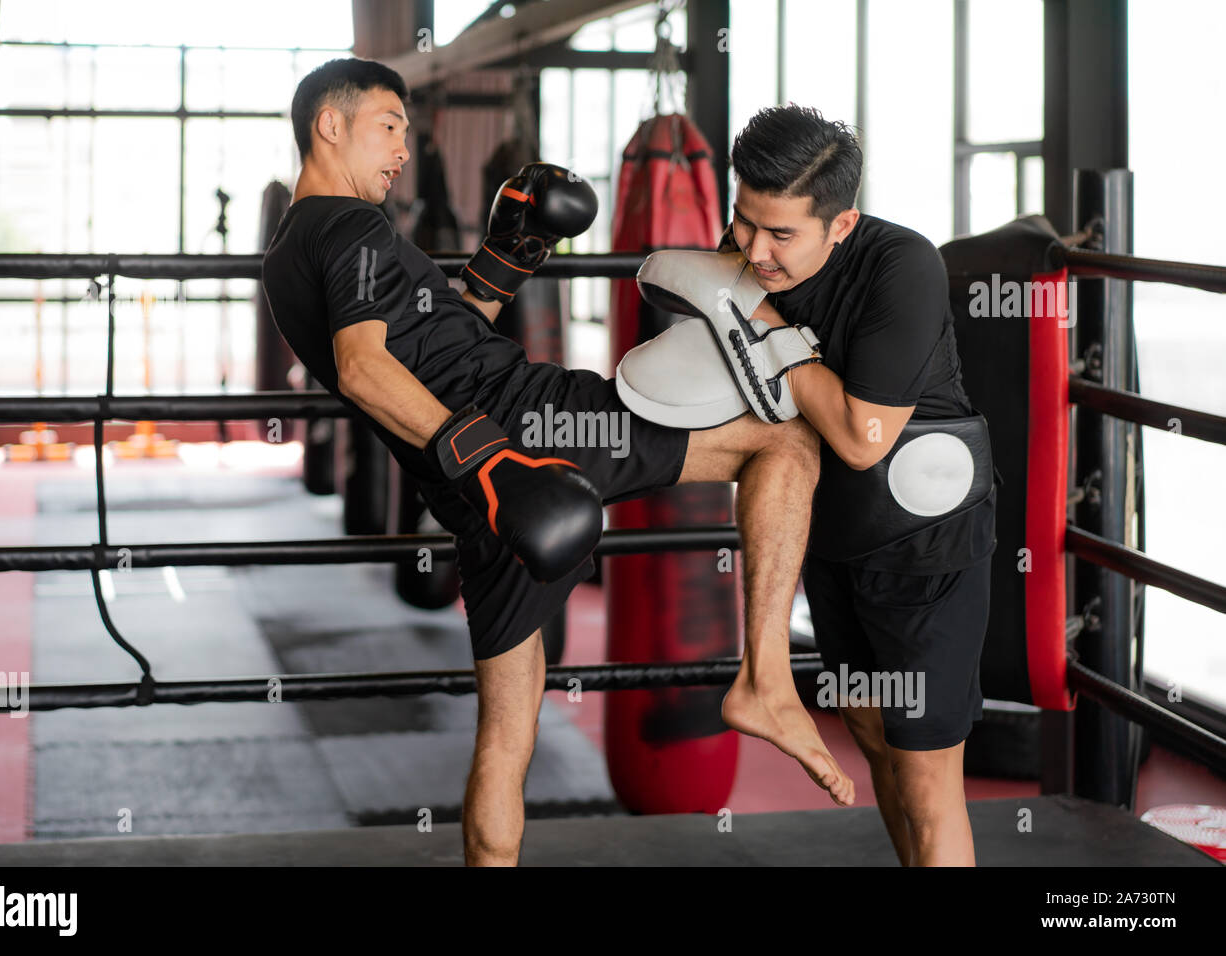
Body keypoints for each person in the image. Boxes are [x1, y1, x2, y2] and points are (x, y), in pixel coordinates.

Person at [261, 57, 856, 868]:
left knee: (508, 734)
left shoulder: (298, 247)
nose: (403, 149)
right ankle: (766, 678)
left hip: (482, 495)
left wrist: (512, 250)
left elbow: (439, 341)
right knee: (784, 439)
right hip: (527, 433)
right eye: (390, 126)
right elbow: (366, 368)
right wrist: (496, 460)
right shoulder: (348, 226)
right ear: (330, 125)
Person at [631, 105, 998, 867]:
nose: (756, 250)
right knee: (874, 741)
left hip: (925, 548)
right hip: (831, 539)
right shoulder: (747, 259)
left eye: (781, 235)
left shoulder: (902, 265)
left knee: (929, 778)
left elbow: (863, 440)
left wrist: (767, 325)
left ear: (841, 224)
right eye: (743, 223)